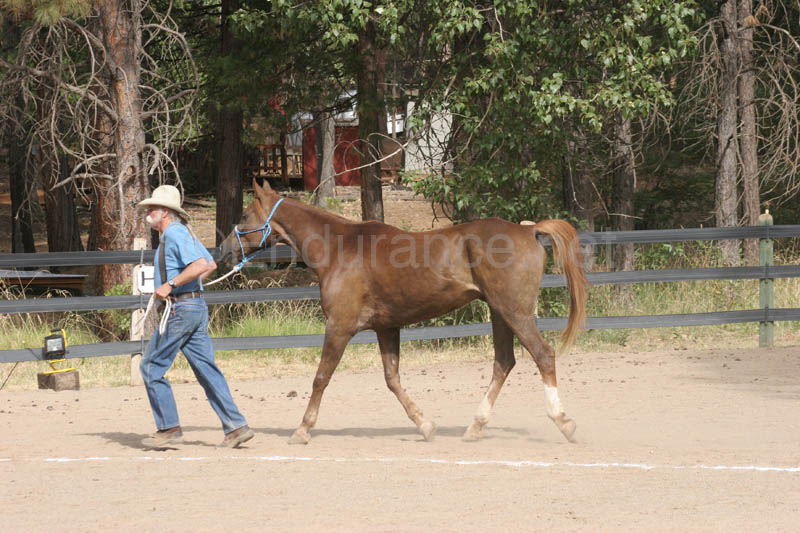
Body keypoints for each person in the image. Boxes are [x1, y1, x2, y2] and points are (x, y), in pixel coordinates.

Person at [137, 185, 254, 449]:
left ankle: (168, 428)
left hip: (182, 310)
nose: (148, 212)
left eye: (152, 208)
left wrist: (172, 285)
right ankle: (236, 427)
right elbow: (210, 264)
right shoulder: (183, 232)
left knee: (151, 367)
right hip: (195, 308)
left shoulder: (174, 234)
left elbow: (200, 265)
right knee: (206, 370)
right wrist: (186, 286)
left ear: (165, 212)